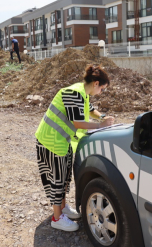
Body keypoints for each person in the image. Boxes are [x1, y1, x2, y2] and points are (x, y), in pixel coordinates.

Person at [35, 64, 115, 232]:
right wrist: (101, 124)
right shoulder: (75, 93)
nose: (101, 93)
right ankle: (57, 218)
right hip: (51, 141)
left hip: (61, 141)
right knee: (57, 180)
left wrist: (103, 117)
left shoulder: (83, 94)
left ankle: (62, 209)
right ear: (95, 83)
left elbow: (91, 110)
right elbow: (77, 122)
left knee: (64, 179)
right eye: (102, 89)